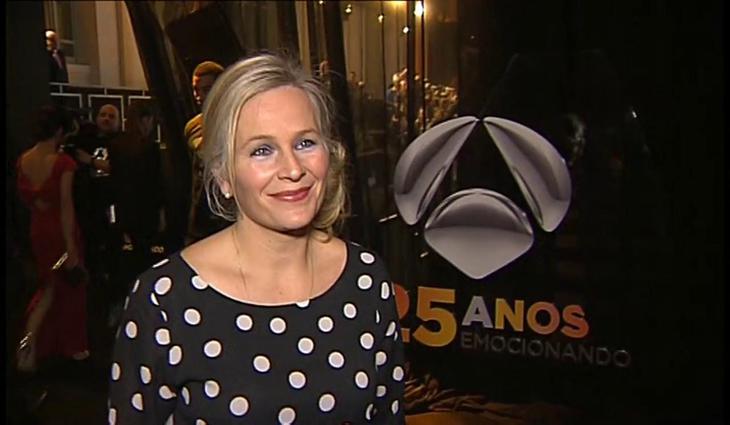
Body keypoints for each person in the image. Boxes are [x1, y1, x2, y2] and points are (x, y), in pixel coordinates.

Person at [109, 53, 406, 424]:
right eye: (262, 150)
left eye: (305, 143)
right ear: (223, 176)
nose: (293, 169)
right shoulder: (165, 300)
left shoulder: (366, 279)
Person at [15, 104, 89, 374]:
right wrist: (71, 247)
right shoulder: (63, 163)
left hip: (38, 231)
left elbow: (27, 200)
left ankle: (37, 347)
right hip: (59, 233)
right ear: (59, 130)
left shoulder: (23, 160)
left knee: (48, 287)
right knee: (63, 290)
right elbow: (67, 208)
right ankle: (42, 348)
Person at [106, 101, 166, 327]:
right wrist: (162, 213)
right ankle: (144, 308)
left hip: (125, 210)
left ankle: (120, 307)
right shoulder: (150, 148)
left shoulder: (116, 145)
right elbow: (156, 185)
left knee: (124, 261)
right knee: (145, 260)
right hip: (146, 212)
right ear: (144, 120)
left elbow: (114, 181)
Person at [184, 60, 229, 245]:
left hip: (230, 212)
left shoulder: (237, 122)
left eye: (206, 89)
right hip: (201, 213)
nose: (199, 96)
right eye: (196, 90)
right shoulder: (194, 127)